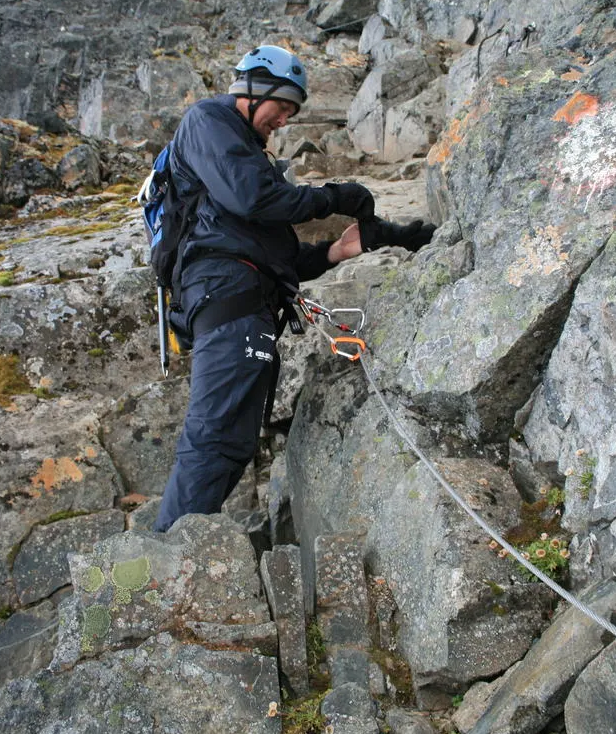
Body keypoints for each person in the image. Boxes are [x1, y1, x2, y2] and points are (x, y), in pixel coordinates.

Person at [154, 45, 434, 532]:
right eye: (281, 107)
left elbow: (274, 257)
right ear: (254, 88)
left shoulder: (243, 156)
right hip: (226, 302)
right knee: (215, 439)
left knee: (234, 445)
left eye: (291, 113)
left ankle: (184, 553)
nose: (283, 121)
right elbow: (253, 197)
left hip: (246, 306)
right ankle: (165, 563)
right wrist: (331, 198)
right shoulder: (208, 121)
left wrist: (334, 252)